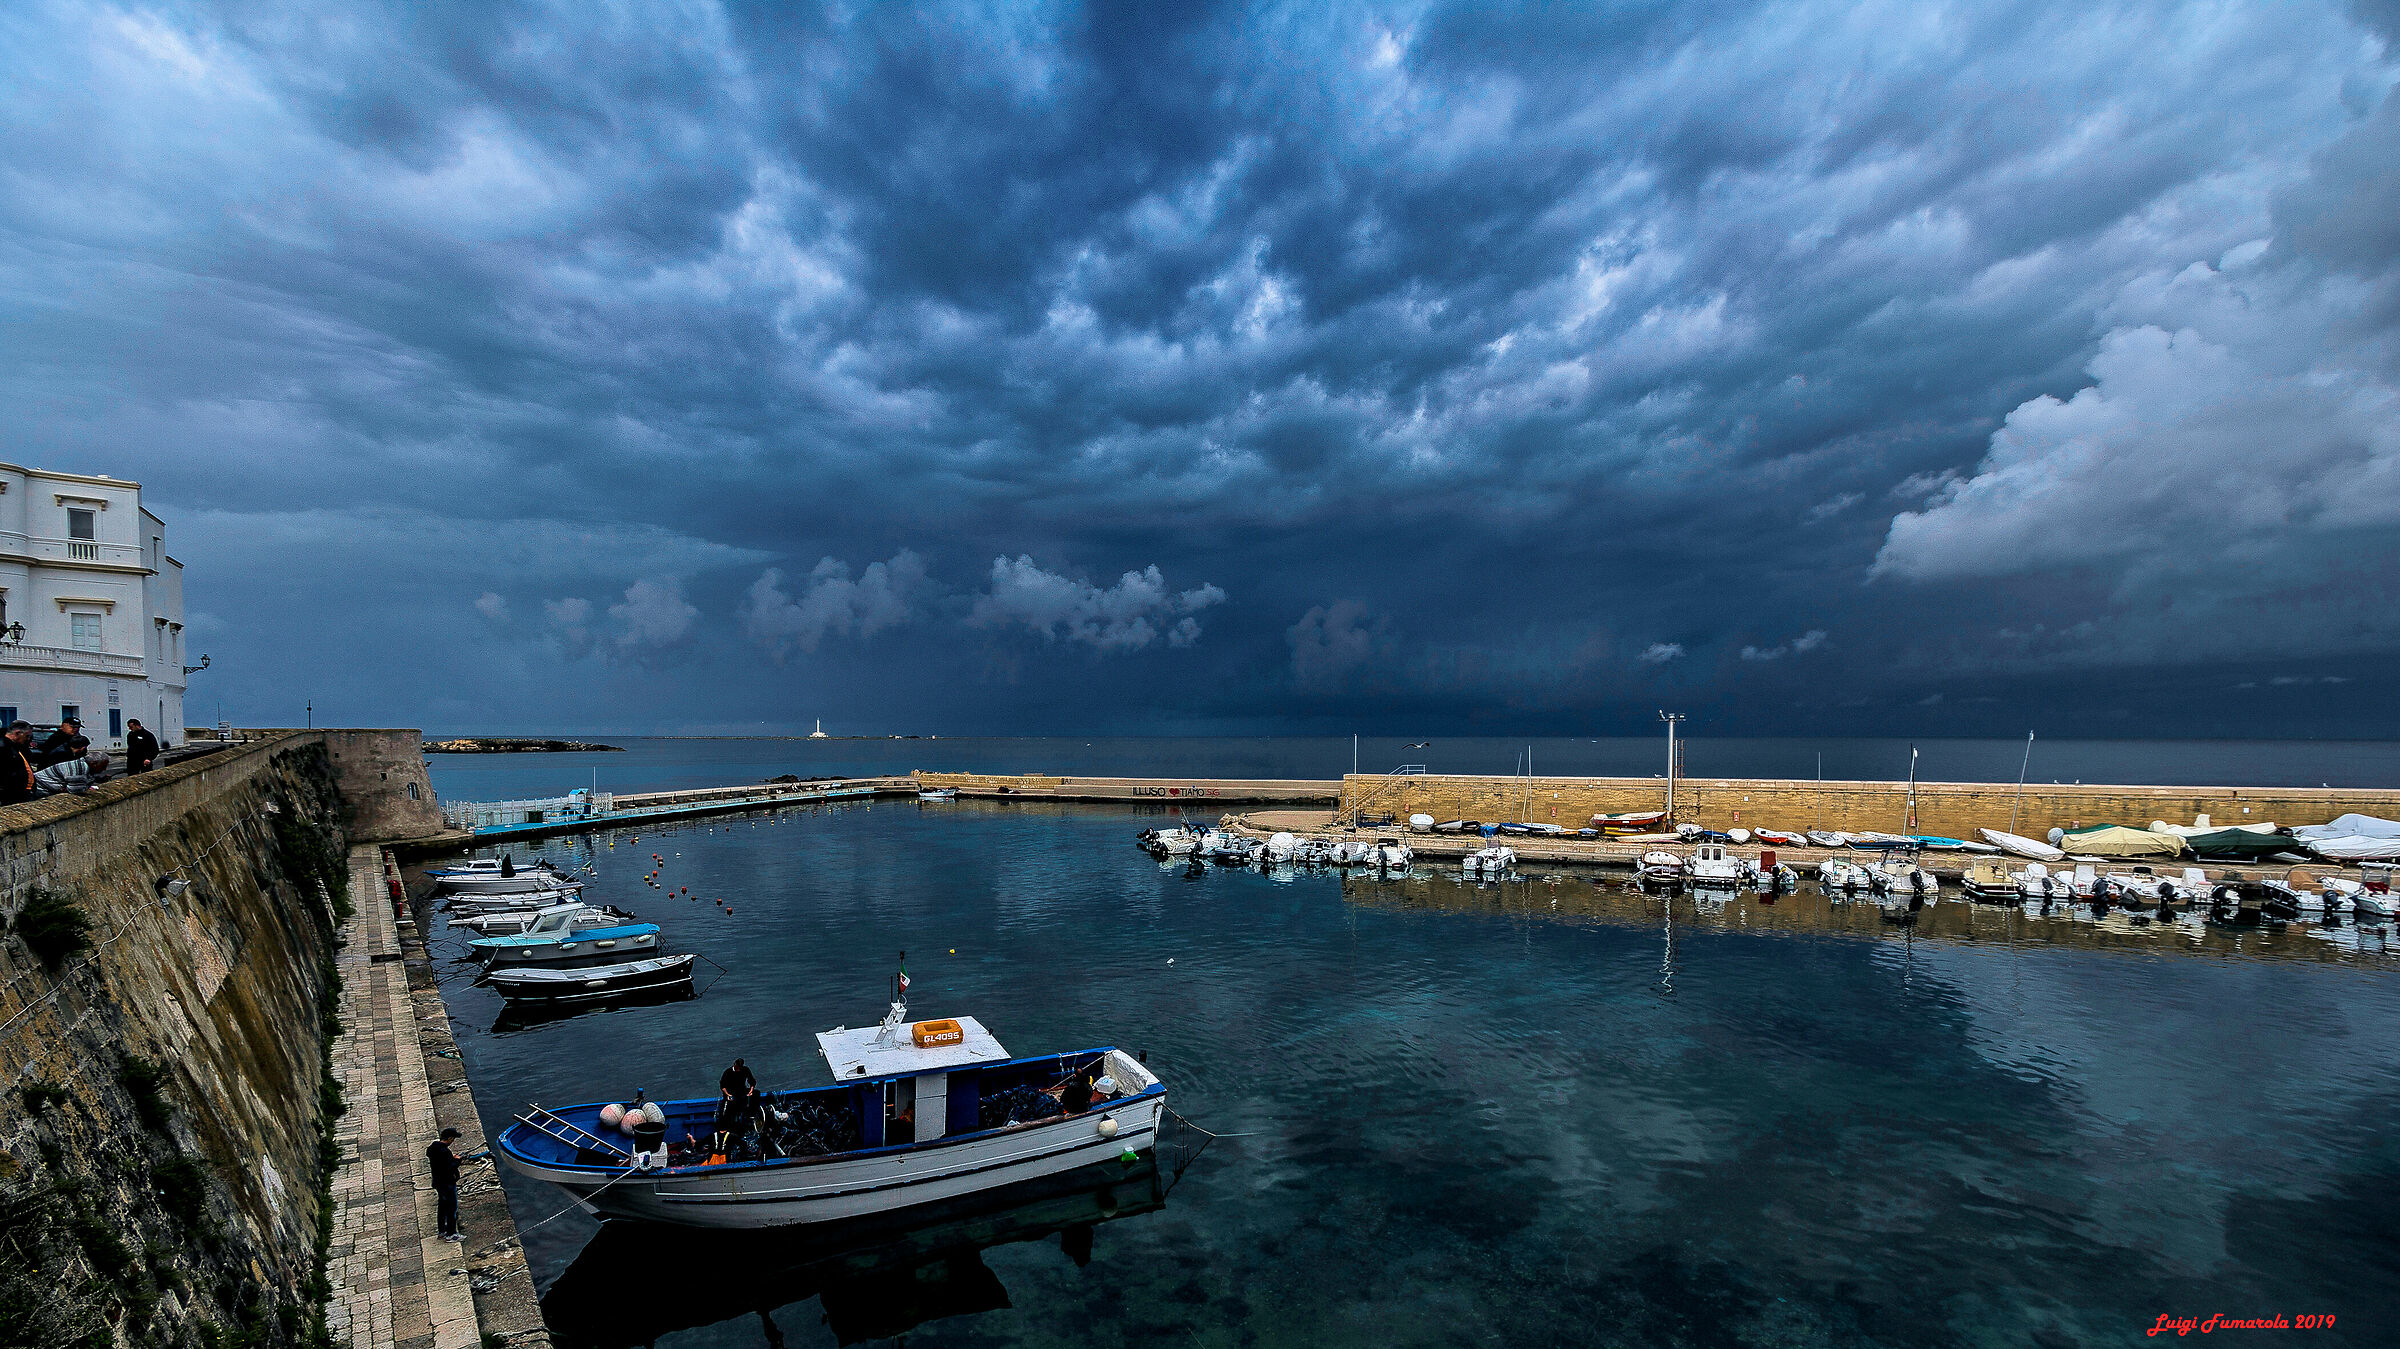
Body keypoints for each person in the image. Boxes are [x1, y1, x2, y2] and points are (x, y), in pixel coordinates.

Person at [427, 1127, 465, 1242]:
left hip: (438, 1182)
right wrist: (457, 1160)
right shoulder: (445, 1151)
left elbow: (442, 1163)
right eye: (453, 1139)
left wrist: (451, 1159)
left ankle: (442, 1231)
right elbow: (449, 1168)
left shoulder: (433, 1148)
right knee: (451, 1208)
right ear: (450, 1138)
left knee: (442, 1208)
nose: (453, 1141)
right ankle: (451, 1234)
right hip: (447, 1183)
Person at [34, 752, 110, 796]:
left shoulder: (82, 764)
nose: (104, 769)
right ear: (94, 764)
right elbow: (76, 790)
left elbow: (83, 782)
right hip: (39, 788)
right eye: (103, 766)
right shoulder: (80, 768)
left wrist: (99, 780)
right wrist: (65, 789)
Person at [0, 724, 38, 806]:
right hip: (10, 795)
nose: (28, 739)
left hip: (21, 792)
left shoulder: (18, 747)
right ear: (17, 733)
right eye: (27, 736)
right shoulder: (4, 748)